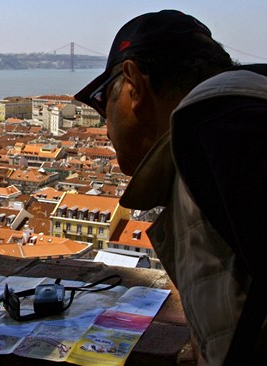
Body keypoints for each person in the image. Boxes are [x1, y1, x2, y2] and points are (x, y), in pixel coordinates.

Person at [73, 9, 267, 366]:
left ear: (133, 83)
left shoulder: (227, 134)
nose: (104, 126)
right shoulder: (216, 136)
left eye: (103, 101)